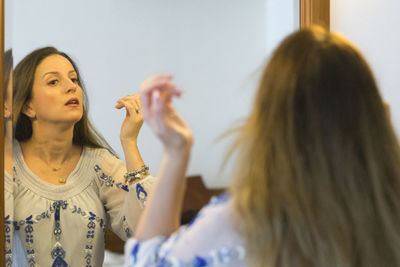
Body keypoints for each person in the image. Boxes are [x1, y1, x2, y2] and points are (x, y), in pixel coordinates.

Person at [124, 26, 400, 267]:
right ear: (373, 115)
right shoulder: (387, 218)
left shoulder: (242, 225)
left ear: (269, 122)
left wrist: (176, 153)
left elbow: (146, 261)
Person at [12, 46, 155, 266]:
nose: (72, 87)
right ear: (27, 106)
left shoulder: (101, 166)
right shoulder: (7, 163)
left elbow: (147, 234)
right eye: (53, 82)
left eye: (74, 79)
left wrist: (130, 142)